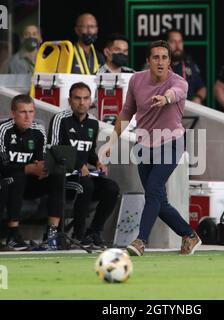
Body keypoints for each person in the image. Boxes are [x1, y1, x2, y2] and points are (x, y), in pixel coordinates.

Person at [100, 40, 202, 256]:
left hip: (171, 142)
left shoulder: (179, 82)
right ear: (148, 61)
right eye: (155, 57)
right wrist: (111, 142)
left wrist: (165, 98)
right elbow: (127, 112)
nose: (160, 61)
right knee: (158, 200)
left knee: (154, 191)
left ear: (170, 61)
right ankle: (189, 234)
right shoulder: (137, 80)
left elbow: (176, 93)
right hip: (143, 143)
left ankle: (140, 240)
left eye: (164, 57)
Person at [48, 82, 120, 249]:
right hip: (63, 176)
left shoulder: (93, 123)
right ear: (70, 100)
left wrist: (97, 162)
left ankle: (93, 232)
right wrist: (79, 164)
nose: (82, 102)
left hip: (84, 174)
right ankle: (78, 235)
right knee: (85, 184)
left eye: (85, 98)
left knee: (112, 188)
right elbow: (53, 148)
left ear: (91, 101)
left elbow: (89, 151)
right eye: (77, 98)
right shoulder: (61, 119)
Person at [0, 94, 64, 251]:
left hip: (29, 182)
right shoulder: (3, 130)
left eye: (31, 112)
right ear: (13, 114)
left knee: (58, 175)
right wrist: (27, 168)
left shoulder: (38, 130)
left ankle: (52, 233)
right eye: (23, 112)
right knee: (18, 176)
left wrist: (43, 169)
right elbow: (3, 164)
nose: (28, 117)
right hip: (7, 181)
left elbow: (39, 160)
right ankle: (13, 233)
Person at [166, 29, 206, 104]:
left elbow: (202, 88)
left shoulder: (189, 65)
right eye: (173, 42)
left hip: (188, 111)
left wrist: (198, 98)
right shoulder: (157, 65)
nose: (177, 45)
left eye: (180, 41)